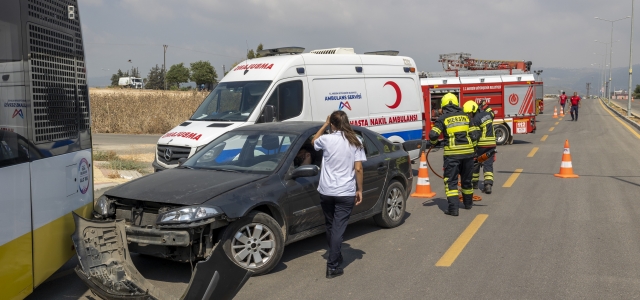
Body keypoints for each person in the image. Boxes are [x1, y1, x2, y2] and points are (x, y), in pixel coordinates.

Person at [312, 110, 366, 278]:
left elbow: (313, 141)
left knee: (330, 225)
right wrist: (360, 189)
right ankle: (332, 265)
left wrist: (324, 125)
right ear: (347, 123)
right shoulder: (356, 141)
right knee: (338, 229)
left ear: (333, 124)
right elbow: (358, 168)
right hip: (345, 192)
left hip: (326, 191)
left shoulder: (326, 139)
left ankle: (335, 255)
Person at [428, 93, 479, 216]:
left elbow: (433, 135)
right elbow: (475, 135)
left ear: (444, 105)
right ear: (456, 103)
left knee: (451, 182)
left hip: (452, 156)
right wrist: (472, 150)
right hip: (468, 155)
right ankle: (468, 204)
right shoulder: (466, 117)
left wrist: (434, 143)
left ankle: (453, 209)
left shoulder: (443, 118)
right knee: (467, 180)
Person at [466, 101, 497, 194]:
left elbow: (475, 136)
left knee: (476, 163)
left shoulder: (475, 120)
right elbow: (492, 113)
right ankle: (488, 185)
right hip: (491, 144)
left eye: (469, 113)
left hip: (481, 144)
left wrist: (473, 148)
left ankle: (474, 183)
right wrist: (485, 105)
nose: (469, 115)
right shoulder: (488, 114)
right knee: (488, 164)